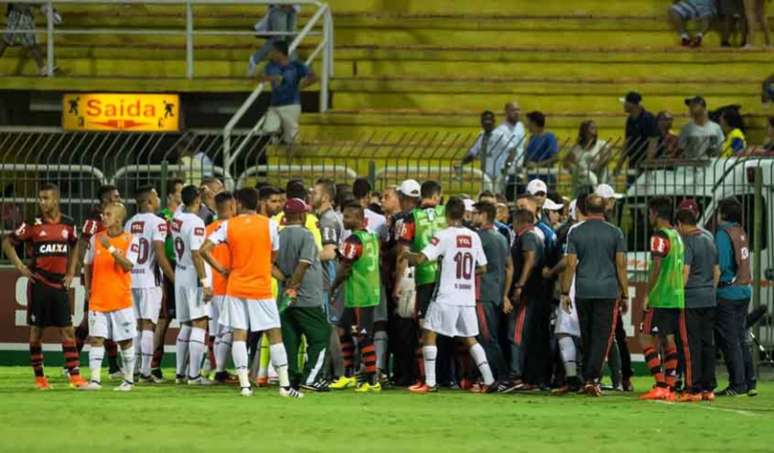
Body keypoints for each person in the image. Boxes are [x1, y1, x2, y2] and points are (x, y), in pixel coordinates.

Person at [200, 187, 302, 398]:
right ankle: (284, 386)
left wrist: (221, 270)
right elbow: (273, 255)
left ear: (238, 203)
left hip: (236, 286)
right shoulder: (270, 226)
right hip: (261, 287)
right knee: (274, 333)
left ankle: (245, 386)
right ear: (257, 203)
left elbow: (203, 250)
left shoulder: (228, 226)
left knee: (239, 334)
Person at [401, 197, 496, 393]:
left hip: (445, 295)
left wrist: (405, 254)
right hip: (466, 297)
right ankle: (489, 379)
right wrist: (467, 276)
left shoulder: (443, 235)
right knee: (470, 339)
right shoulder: (473, 236)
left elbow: (420, 258)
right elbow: (484, 268)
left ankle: (431, 383)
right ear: (463, 214)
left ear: (446, 215)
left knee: (429, 333)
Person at [1, 183, 87, 390]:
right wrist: (20, 266)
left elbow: (76, 244)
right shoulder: (32, 224)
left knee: (67, 329)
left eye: (46, 198)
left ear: (56, 199)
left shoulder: (68, 223)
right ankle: (40, 378)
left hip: (59, 285)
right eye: (40, 198)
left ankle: (75, 377)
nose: (42, 202)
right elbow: (7, 242)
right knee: (36, 332)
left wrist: (70, 271)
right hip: (39, 284)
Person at [561, 195, 628, 397]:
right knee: (602, 335)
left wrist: (565, 291)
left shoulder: (576, 233)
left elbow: (571, 264)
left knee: (588, 334)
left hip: (584, 290)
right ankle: (592, 378)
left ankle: (587, 378)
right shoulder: (615, 233)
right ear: (605, 208)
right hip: (607, 291)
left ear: (586, 209)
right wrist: (624, 293)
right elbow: (621, 265)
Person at [273, 198, 330, 392]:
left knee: (290, 340)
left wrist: (285, 281)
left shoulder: (278, 235)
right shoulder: (306, 236)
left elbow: (268, 264)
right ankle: (311, 377)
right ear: (302, 215)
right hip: (306, 298)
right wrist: (294, 285)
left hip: (285, 299)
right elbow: (304, 263)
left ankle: (290, 378)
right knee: (321, 335)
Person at [81, 202, 139, 391]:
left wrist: (111, 249)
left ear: (118, 219)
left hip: (121, 300)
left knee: (125, 341)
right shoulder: (95, 238)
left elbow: (129, 265)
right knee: (96, 339)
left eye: (107, 214)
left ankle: (128, 381)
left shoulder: (131, 239)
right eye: (103, 214)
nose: (103, 217)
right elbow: (87, 265)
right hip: (98, 299)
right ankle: (95, 381)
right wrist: (89, 289)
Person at [123, 186, 175, 383]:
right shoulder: (158, 222)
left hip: (131, 279)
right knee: (148, 325)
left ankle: (134, 369)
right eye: (156, 197)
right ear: (150, 202)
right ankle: (145, 371)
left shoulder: (129, 223)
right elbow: (159, 254)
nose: (159, 200)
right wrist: (173, 279)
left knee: (136, 325)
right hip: (149, 280)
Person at [329, 203, 383, 392]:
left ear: (359, 219)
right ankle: (349, 375)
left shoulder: (353, 240)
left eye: (348, 217)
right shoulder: (372, 238)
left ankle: (372, 381)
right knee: (343, 330)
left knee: (363, 336)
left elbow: (345, 268)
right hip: (365, 293)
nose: (344, 221)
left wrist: (332, 287)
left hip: (361, 295)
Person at [398, 180, 447, 389]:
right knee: (451, 330)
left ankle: (426, 378)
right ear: (438, 196)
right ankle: (451, 377)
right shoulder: (446, 213)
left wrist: (400, 283)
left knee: (425, 329)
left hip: (425, 277)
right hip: (447, 279)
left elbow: (403, 252)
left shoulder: (411, 218)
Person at [70, 184, 123, 377]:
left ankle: (112, 366)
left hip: (109, 276)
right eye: (115, 197)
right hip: (95, 276)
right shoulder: (95, 218)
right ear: (104, 201)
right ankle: (73, 363)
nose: (119, 199)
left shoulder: (115, 217)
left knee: (102, 320)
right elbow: (83, 242)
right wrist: (85, 271)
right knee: (92, 320)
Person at [639, 197, 685, 401]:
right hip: (676, 297)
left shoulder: (659, 236)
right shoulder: (677, 236)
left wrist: (648, 293)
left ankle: (660, 384)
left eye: (650, 213)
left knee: (645, 337)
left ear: (656, 214)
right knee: (669, 340)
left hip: (661, 297)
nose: (649, 217)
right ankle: (671, 384)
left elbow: (657, 266)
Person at [676, 199, 720, 402]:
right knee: (707, 343)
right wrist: (710, 290)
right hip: (709, 298)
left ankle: (692, 388)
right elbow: (716, 271)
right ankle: (708, 388)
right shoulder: (709, 239)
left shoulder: (687, 242)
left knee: (690, 344)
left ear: (681, 224)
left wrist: (679, 292)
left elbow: (685, 271)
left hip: (691, 299)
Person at [499, 208, 544, 392]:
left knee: (515, 333)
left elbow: (530, 260)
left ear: (519, 222)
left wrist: (519, 286)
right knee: (519, 334)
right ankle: (522, 375)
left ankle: (516, 375)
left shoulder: (528, 237)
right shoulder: (532, 236)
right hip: (529, 293)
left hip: (526, 294)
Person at [171, 186, 212, 386]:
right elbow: (197, 253)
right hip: (194, 275)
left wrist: (194, 194)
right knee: (200, 322)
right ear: (198, 200)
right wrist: (205, 283)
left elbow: (182, 205)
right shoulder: (196, 222)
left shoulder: (177, 217)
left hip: (180, 272)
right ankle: (194, 376)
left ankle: (180, 373)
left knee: (186, 323)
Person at [714, 198, 754, 396]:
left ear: (723, 214)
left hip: (727, 291)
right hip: (744, 290)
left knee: (730, 340)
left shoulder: (723, 234)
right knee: (740, 337)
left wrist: (711, 289)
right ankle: (750, 381)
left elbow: (719, 266)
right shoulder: (741, 231)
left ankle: (737, 384)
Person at [472, 201, 511, 381]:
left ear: (484, 215)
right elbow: (510, 267)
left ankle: (501, 377)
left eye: (475, 213)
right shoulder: (501, 237)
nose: (472, 217)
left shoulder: (478, 238)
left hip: (482, 294)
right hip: (495, 294)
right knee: (489, 336)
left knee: (487, 338)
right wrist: (504, 294)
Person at [151, 178, 184, 382]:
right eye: (179, 192)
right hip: (167, 271)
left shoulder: (188, 216)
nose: (182, 196)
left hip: (185, 269)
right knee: (163, 318)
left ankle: (186, 368)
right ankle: (154, 365)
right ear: (171, 195)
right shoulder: (161, 218)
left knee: (189, 320)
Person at [205, 192, 237, 384]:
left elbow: (200, 255)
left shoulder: (209, 228)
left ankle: (217, 370)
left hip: (213, 286)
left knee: (218, 331)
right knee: (228, 330)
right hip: (229, 284)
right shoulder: (234, 227)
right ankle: (220, 371)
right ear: (232, 205)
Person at [258, 41, 317, 144]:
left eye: (273, 52)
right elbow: (259, 77)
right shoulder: (270, 66)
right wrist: (272, 78)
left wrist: (301, 86)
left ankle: (290, 157)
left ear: (280, 53)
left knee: (292, 139)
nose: (271, 54)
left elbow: (313, 77)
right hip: (275, 105)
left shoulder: (296, 65)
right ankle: (278, 138)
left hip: (291, 104)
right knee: (269, 128)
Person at [0, 3, 59, 76]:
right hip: (19, 13)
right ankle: (43, 68)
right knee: (6, 40)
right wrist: (43, 7)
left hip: (23, 13)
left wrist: (44, 7)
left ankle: (43, 68)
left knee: (30, 42)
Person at [248, 4, 298, 75]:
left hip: (293, 7)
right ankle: (255, 58)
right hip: (279, 6)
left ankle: (293, 66)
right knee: (279, 38)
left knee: (291, 38)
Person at [563, 120, 611, 194]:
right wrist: (574, 168)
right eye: (591, 128)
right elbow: (566, 162)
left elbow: (606, 157)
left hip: (600, 179)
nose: (594, 130)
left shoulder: (601, 144)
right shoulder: (577, 148)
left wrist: (594, 167)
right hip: (582, 182)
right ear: (584, 131)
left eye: (595, 128)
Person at [620, 91, 659, 171]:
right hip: (633, 161)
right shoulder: (630, 120)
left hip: (645, 163)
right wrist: (620, 163)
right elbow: (627, 142)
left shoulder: (648, 119)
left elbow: (653, 140)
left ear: (632, 104)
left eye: (625, 102)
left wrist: (648, 162)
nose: (624, 105)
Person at [524, 111, 559, 186]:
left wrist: (537, 165)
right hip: (532, 178)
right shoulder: (531, 138)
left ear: (533, 123)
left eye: (528, 122)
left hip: (546, 178)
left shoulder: (549, 137)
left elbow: (555, 157)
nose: (526, 125)